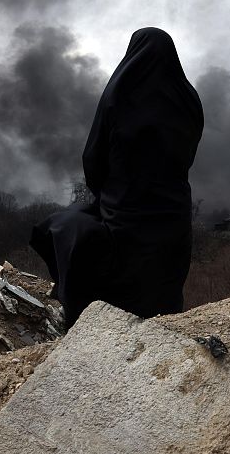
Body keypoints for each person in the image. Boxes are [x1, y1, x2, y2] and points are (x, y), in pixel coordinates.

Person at [30, 27, 204, 328]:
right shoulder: (189, 100)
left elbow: (92, 158)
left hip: (124, 207)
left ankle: (78, 313)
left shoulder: (118, 94)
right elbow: (188, 155)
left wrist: (108, 194)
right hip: (174, 211)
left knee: (65, 225)